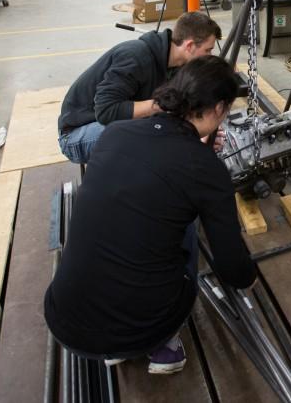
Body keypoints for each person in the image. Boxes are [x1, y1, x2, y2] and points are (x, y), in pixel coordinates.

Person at [44, 55, 257, 373]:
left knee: (146, 209)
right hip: (141, 328)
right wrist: (249, 275)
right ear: (218, 109)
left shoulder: (115, 133)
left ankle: (115, 348)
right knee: (186, 226)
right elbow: (232, 269)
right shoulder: (206, 170)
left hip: (65, 320)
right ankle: (163, 344)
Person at [57, 11, 221, 164]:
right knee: (155, 138)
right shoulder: (136, 57)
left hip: (113, 126)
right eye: (208, 50)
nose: (210, 56)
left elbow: (178, 110)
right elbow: (105, 111)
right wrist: (160, 106)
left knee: (164, 134)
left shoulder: (175, 66)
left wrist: (198, 134)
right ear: (190, 46)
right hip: (77, 133)